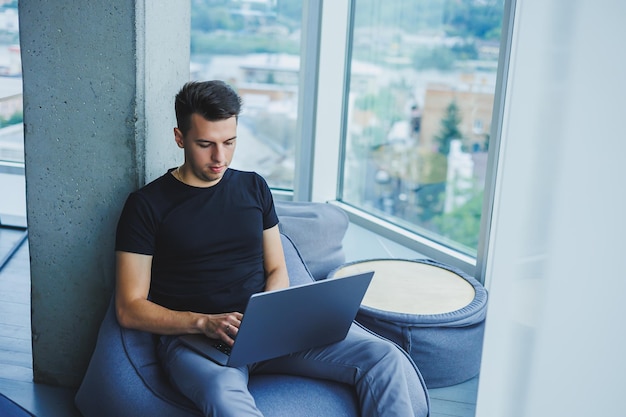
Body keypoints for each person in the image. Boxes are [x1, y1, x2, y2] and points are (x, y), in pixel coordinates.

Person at [115, 80, 423, 417]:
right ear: (179, 138)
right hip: (196, 341)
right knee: (225, 400)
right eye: (205, 144)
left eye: (229, 142)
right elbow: (129, 308)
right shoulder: (146, 205)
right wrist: (203, 323)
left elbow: (277, 269)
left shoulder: (253, 187)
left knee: (384, 356)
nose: (220, 157)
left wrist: (271, 314)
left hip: (268, 331)